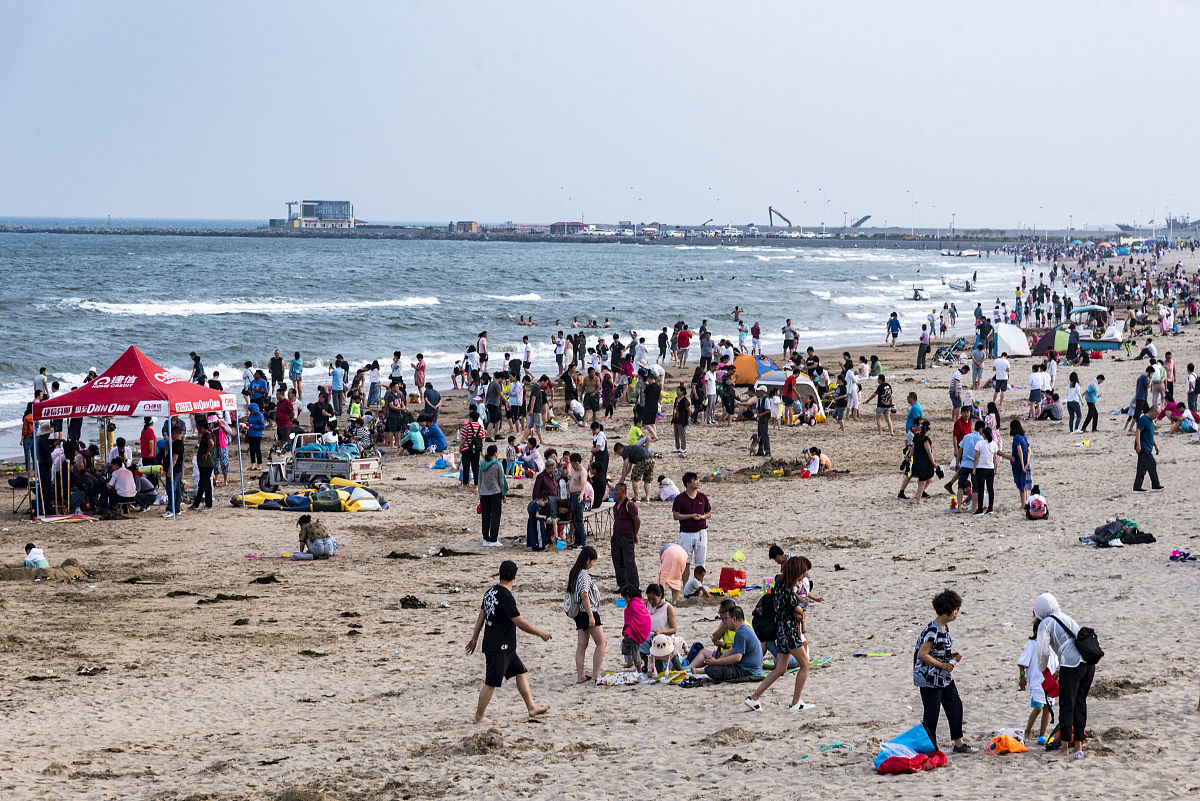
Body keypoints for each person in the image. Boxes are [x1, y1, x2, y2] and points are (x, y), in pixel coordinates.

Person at [466, 560, 552, 724]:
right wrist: (540, 633)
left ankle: (531, 707)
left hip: (504, 646)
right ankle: (479, 717)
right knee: (491, 683)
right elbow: (519, 622)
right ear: (515, 576)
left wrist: (475, 637)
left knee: (521, 672)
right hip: (499, 646)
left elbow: (481, 617)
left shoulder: (489, 592)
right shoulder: (506, 596)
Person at [913, 589, 977, 753]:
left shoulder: (944, 627)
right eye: (955, 609)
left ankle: (959, 744)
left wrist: (951, 656)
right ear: (946, 610)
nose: (957, 613)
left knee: (955, 705)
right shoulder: (932, 630)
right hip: (929, 678)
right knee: (932, 714)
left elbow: (938, 650)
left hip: (943, 677)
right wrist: (942, 665)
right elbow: (922, 654)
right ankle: (930, 748)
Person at [745, 556, 812, 711]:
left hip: (781, 633)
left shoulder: (779, 586)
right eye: (802, 573)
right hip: (790, 633)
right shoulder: (788, 590)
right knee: (805, 664)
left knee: (780, 669)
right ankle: (796, 703)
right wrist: (800, 611)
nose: (803, 576)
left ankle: (754, 697)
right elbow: (798, 610)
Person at [1034, 593, 1093, 759]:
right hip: (1088, 664)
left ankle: (1065, 747)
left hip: (1072, 666)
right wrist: (1059, 670)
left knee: (1067, 705)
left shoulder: (1045, 623)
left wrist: (1043, 669)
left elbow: (1043, 651)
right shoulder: (1066, 618)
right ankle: (1079, 746)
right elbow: (1073, 644)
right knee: (1080, 703)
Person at [566, 546, 607, 683]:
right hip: (588, 612)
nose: (593, 564)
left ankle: (580, 676)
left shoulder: (574, 572)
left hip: (579, 614)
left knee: (581, 646)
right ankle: (596, 675)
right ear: (588, 559)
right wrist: (591, 615)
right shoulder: (583, 573)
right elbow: (584, 594)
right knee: (601, 643)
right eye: (593, 561)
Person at [692, 606, 762, 683]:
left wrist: (716, 662)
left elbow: (737, 657)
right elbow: (732, 650)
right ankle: (703, 671)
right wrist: (717, 660)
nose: (725, 622)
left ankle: (702, 671)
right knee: (717, 658)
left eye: (727, 619)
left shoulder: (741, 633)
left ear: (734, 619)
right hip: (750, 668)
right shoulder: (744, 629)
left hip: (747, 672)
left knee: (712, 669)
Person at [1018, 618, 1057, 745]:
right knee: (1038, 707)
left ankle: (1042, 735)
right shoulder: (1032, 643)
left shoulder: (1054, 645)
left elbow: (1058, 661)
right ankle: (1028, 731)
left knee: (1048, 708)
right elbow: (1022, 662)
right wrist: (1022, 676)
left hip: (1051, 680)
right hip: (1036, 681)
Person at [672, 471, 711, 588]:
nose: (697, 482)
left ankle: (699, 586)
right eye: (695, 480)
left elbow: (709, 512)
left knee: (700, 562)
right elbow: (676, 516)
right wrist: (690, 516)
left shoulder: (702, 497)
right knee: (685, 561)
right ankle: (685, 586)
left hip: (701, 532)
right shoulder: (680, 498)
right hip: (685, 533)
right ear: (688, 484)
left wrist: (702, 516)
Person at [610, 483, 640, 590]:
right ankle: (622, 585)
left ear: (623, 492)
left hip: (627, 536)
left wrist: (635, 534)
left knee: (629, 562)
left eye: (617, 491)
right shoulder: (615, 505)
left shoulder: (629, 505)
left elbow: (637, 520)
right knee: (618, 562)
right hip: (616, 536)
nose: (615, 493)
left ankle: (633, 586)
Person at [478, 444, 508, 546]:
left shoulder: (482, 464)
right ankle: (493, 540)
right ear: (495, 453)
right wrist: (504, 493)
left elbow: (479, 480)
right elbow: (502, 480)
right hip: (495, 493)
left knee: (485, 516)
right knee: (495, 516)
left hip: (484, 493)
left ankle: (485, 539)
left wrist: (480, 494)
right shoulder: (497, 464)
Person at [999, 419, 1032, 509]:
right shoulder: (1023, 436)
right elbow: (1029, 450)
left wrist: (1021, 464)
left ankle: (1023, 504)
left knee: (1021, 483)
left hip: (1018, 462)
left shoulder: (1017, 437)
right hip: (1026, 462)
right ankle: (1026, 502)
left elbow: (1019, 450)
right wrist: (1026, 463)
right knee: (1024, 483)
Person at [619, 585, 652, 670]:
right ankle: (630, 661)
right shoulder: (640, 602)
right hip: (638, 629)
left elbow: (632, 619)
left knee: (635, 650)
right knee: (625, 644)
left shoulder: (633, 605)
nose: (625, 601)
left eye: (625, 598)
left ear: (628, 596)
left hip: (635, 632)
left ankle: (639, 670)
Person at [1133, 404, 1164, 493]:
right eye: (1157, 414)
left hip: (1148, 447)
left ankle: (1137, 487)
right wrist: (1138, 445)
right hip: (1143, 448)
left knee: (1142, 468)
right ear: (1152, 412)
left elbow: (1151, 435)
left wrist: (1156, 446)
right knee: (1152, 464)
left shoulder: (1151, 421)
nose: (1157, 416)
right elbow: (1138, 431)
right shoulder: (1143, 419)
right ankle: (1155, 485)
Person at [971, 425, 999, 515]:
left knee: (981, 489)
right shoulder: (994, 444)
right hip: (990, 468)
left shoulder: (980, 443)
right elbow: (995, 458)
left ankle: (980, 509)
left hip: (981, 468)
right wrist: (995, 469)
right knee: (990, 489)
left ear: (984, 434)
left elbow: (976, 457)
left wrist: (974, 467)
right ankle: (990, 508)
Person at [459, 410, 486, 488]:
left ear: (471, 418)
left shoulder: (467, 426)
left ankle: (465, 485)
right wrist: (482, 450)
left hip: (466, 449)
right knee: (475, 467)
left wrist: (460, 448)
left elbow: (463, 439)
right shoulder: (480, 427)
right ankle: (476, 485)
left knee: (466, 468)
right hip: (476, 450)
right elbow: (482, 439)